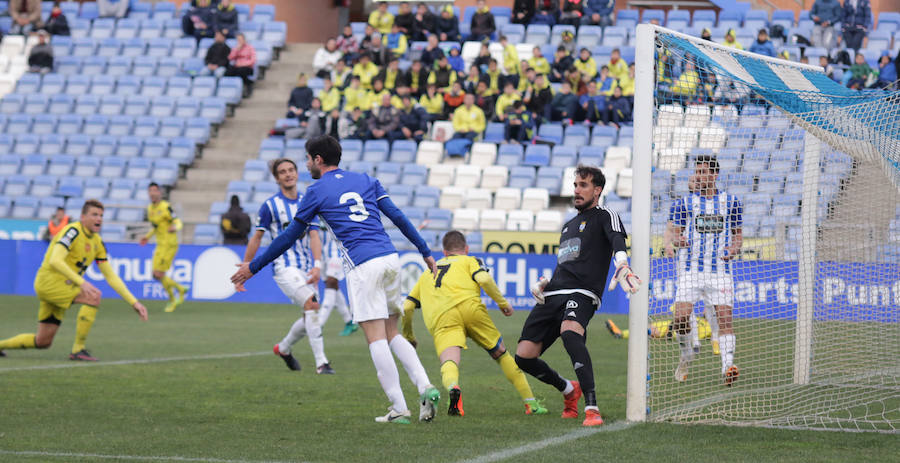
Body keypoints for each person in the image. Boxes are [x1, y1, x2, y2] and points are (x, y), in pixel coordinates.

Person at [231, 135, 441, 424]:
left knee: (375, 337)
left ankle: (399, 408)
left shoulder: (315, 191)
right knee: (392, 331)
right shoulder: (367, 179)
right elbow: (400, 217)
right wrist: (426, 252)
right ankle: (425, 386)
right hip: (390, 258)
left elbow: (289, 237)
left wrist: (253, 267)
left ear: (318, 159)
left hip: (362, 265)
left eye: (307, 159)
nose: (305, 165)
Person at [517, 164, 641, 427]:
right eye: (575, 185)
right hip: (554, 293)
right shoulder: (568, 226)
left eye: (583, 185)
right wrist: (545, 282)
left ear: (597, 190)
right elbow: (566, 263)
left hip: (583, 292)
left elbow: (618, 241)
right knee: (523, 356)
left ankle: (592, 407)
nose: (577, 190)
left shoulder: (606, 215)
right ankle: (568, 390)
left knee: (570, 332)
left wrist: (622, 263)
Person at [401, 231, 548, 417]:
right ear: (466, 249)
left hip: (443, 317)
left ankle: (454, 387)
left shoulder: (428, 272)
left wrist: (409, 336)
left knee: (449, 361)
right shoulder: (470, 260)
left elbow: (407, 307)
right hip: (471, 309)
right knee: (501, 354)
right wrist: (503, 303)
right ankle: (531, 404)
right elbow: (484, 279)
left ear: (444, 252)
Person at [0, 200, 148, 360]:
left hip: (62, 287)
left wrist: (134, 302)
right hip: (49, 283)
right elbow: (55, 261)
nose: (99, 219)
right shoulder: (72, 232)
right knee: (93, 296)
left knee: (43, 341)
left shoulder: (97, 243)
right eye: (94, 214)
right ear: (83, 217)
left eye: (101, 215)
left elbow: (110, 276)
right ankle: (78, 350)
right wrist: (82, 282)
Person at [242, 158, 334, 375]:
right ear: (276, 178)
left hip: (306, 267)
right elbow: (257, 237)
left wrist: (317, 265)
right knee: (311, 305)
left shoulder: (307, 200)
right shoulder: (270, 206)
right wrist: (247, 267)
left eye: (291, 170)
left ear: (296, 173)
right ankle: (322, 363)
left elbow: (314, 235)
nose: (288, 174)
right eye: (282, 172)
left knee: (310, 315)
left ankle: (283, 348)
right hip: (284, 268)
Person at [664, 155, 742, 386]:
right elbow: (675, 234)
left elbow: (738, 235)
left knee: (725, 320)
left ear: (715, 175)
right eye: (697, 172)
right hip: (691, 272)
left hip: (720, 271)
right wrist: (679, 241)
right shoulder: (684, 204)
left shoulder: (732, 202)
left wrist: (733, 249)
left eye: (704, 172)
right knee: (679, 319)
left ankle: (728, 366)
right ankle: (687, 355)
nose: (700, 176)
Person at [139, 183, 188, 313]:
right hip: (160, 245)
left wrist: (175, 228)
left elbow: (178, 221)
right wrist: (147, 237)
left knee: (159, 274)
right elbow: (155, 226)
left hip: (170, 244)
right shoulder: (150, 208)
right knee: (156, 275)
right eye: (150, 190)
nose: (152, 193)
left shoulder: (166, 207)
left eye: (155, 190)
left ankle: (173, 300)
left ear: (160, 192)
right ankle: (180, 289)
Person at [316, 223, 359, 337]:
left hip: (337, 251)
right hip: (323, 253)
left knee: (331, 282)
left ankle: (319, 324)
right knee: (333, 287)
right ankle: (349, 321)